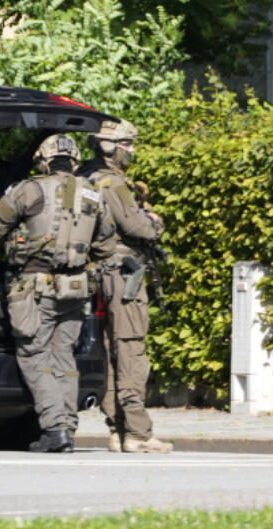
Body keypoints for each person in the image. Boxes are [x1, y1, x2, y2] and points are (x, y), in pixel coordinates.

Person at [0, 133, 113, 453]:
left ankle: (55, 427)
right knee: (64, 356)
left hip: (36, 288)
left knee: (34, 354)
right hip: (76, 289)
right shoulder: (92, 194)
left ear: (43, 159)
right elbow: (105, 243)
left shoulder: (29, 189)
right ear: (74, 160)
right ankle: (68, 428)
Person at [81, 119, 173, 454]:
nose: (132, 150)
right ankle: (138, 433)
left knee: (107, 350)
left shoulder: (83, 178)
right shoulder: (114, 183)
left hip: (94, 275)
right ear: (111, 147)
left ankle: (116, 430)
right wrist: (155, 221)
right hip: (123, 274)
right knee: (131, 348)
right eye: (127, 144)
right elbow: (138, 227)